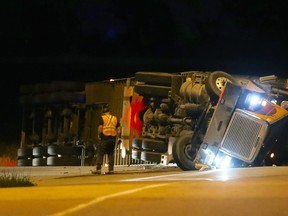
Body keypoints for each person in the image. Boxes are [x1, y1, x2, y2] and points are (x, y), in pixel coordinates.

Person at [92, 107, 120, 175]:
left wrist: (99, 135)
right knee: (110, 153)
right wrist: (117, 137)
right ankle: (111, 170)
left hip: (105, 137)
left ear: (103, 112)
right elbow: (119, 128)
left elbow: (100, 128)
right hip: (113, 138)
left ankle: (98, 169)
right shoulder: (114, 118)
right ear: (109, 112)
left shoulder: (102, 118)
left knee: (100, 153)